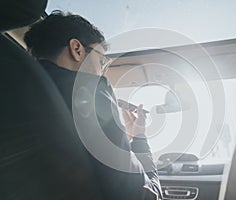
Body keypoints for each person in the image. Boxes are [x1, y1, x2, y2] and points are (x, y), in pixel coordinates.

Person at [24, 10, 162, 200]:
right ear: (77, 49)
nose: (102, 72)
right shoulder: (92, 91)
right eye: (101, 61)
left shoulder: (13, 87)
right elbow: (144, 196)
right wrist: (139, 137)